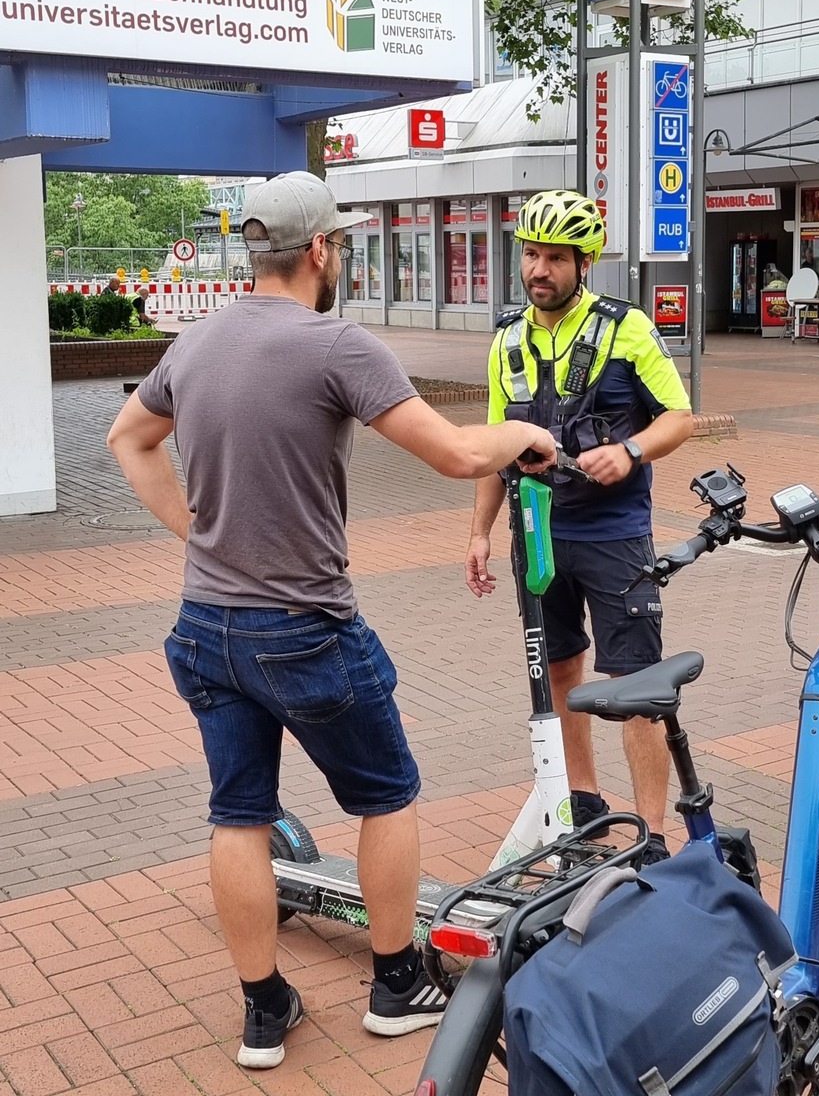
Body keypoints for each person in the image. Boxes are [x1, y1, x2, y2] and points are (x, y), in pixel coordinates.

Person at [106, 170, 556, 1069]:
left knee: (238, 815)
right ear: (319, 250)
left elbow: (128, 438)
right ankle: (396, 985)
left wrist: (196, 531)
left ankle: (263, 1012)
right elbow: (453, 453)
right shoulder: (336, 344)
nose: (340, 255)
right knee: (387, 795)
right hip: (305, 627)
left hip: (205, 625)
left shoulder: (194, 343)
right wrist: (521, 438)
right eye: (341, 243)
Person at [465, 190, 693, 864]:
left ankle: (651, 836)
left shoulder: (627, 327)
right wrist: (479, 532)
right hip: (534, 532)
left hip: (614, 535)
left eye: (554, 258)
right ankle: (584, 808)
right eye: (531, 254)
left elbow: (677, 417)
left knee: (635, 685)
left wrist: (629, 451)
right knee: (559, 670)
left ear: (584, 260)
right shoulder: (506, 336)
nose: (539, 269)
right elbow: (493, 443)